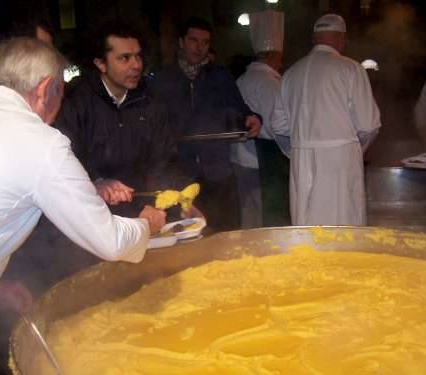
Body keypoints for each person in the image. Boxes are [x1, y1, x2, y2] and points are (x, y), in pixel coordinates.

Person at [0, 37, 166, 374]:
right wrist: (149, 225)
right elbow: (110, 242)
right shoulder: (40, 143)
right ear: (46, 88)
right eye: (61, 96)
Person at [55, 21, 198, 219]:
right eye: (125, 58)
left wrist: (183, 198)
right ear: (100, 63)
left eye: (138, 56)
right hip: (93, 217)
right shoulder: (75, 103)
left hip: (144, 211)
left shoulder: (150, 102)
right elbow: (63, 163)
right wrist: (96, 181)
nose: (136, 65)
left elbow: (164, 160)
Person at [152, 17, 261, 231]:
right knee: (187, 237)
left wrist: (253, 118)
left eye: (205, 42)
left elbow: (240, 110)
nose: (199, 47)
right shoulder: (163, 79)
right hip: (180, 174)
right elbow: (153, 123)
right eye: (194, 40)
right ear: (181, 42)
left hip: (218, 173)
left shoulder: (220, 77)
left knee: (226, 232)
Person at [272, 14, 381, 226]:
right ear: (341, 38)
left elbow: (279, 126)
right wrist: (356, 150)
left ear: (315, 39)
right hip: (340, 161)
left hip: (301, 161)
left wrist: (298, 149)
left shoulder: (290, 74)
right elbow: (368, 125)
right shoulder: (351, 68)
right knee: (343, 225)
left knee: (307, 226)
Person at [234, 10, 290, 228]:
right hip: (262, 160)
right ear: (274, 56)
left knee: (249, 212)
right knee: (266, 215)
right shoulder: (269, 83)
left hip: (242, 158)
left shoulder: (244, 78)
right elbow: (278, 125)